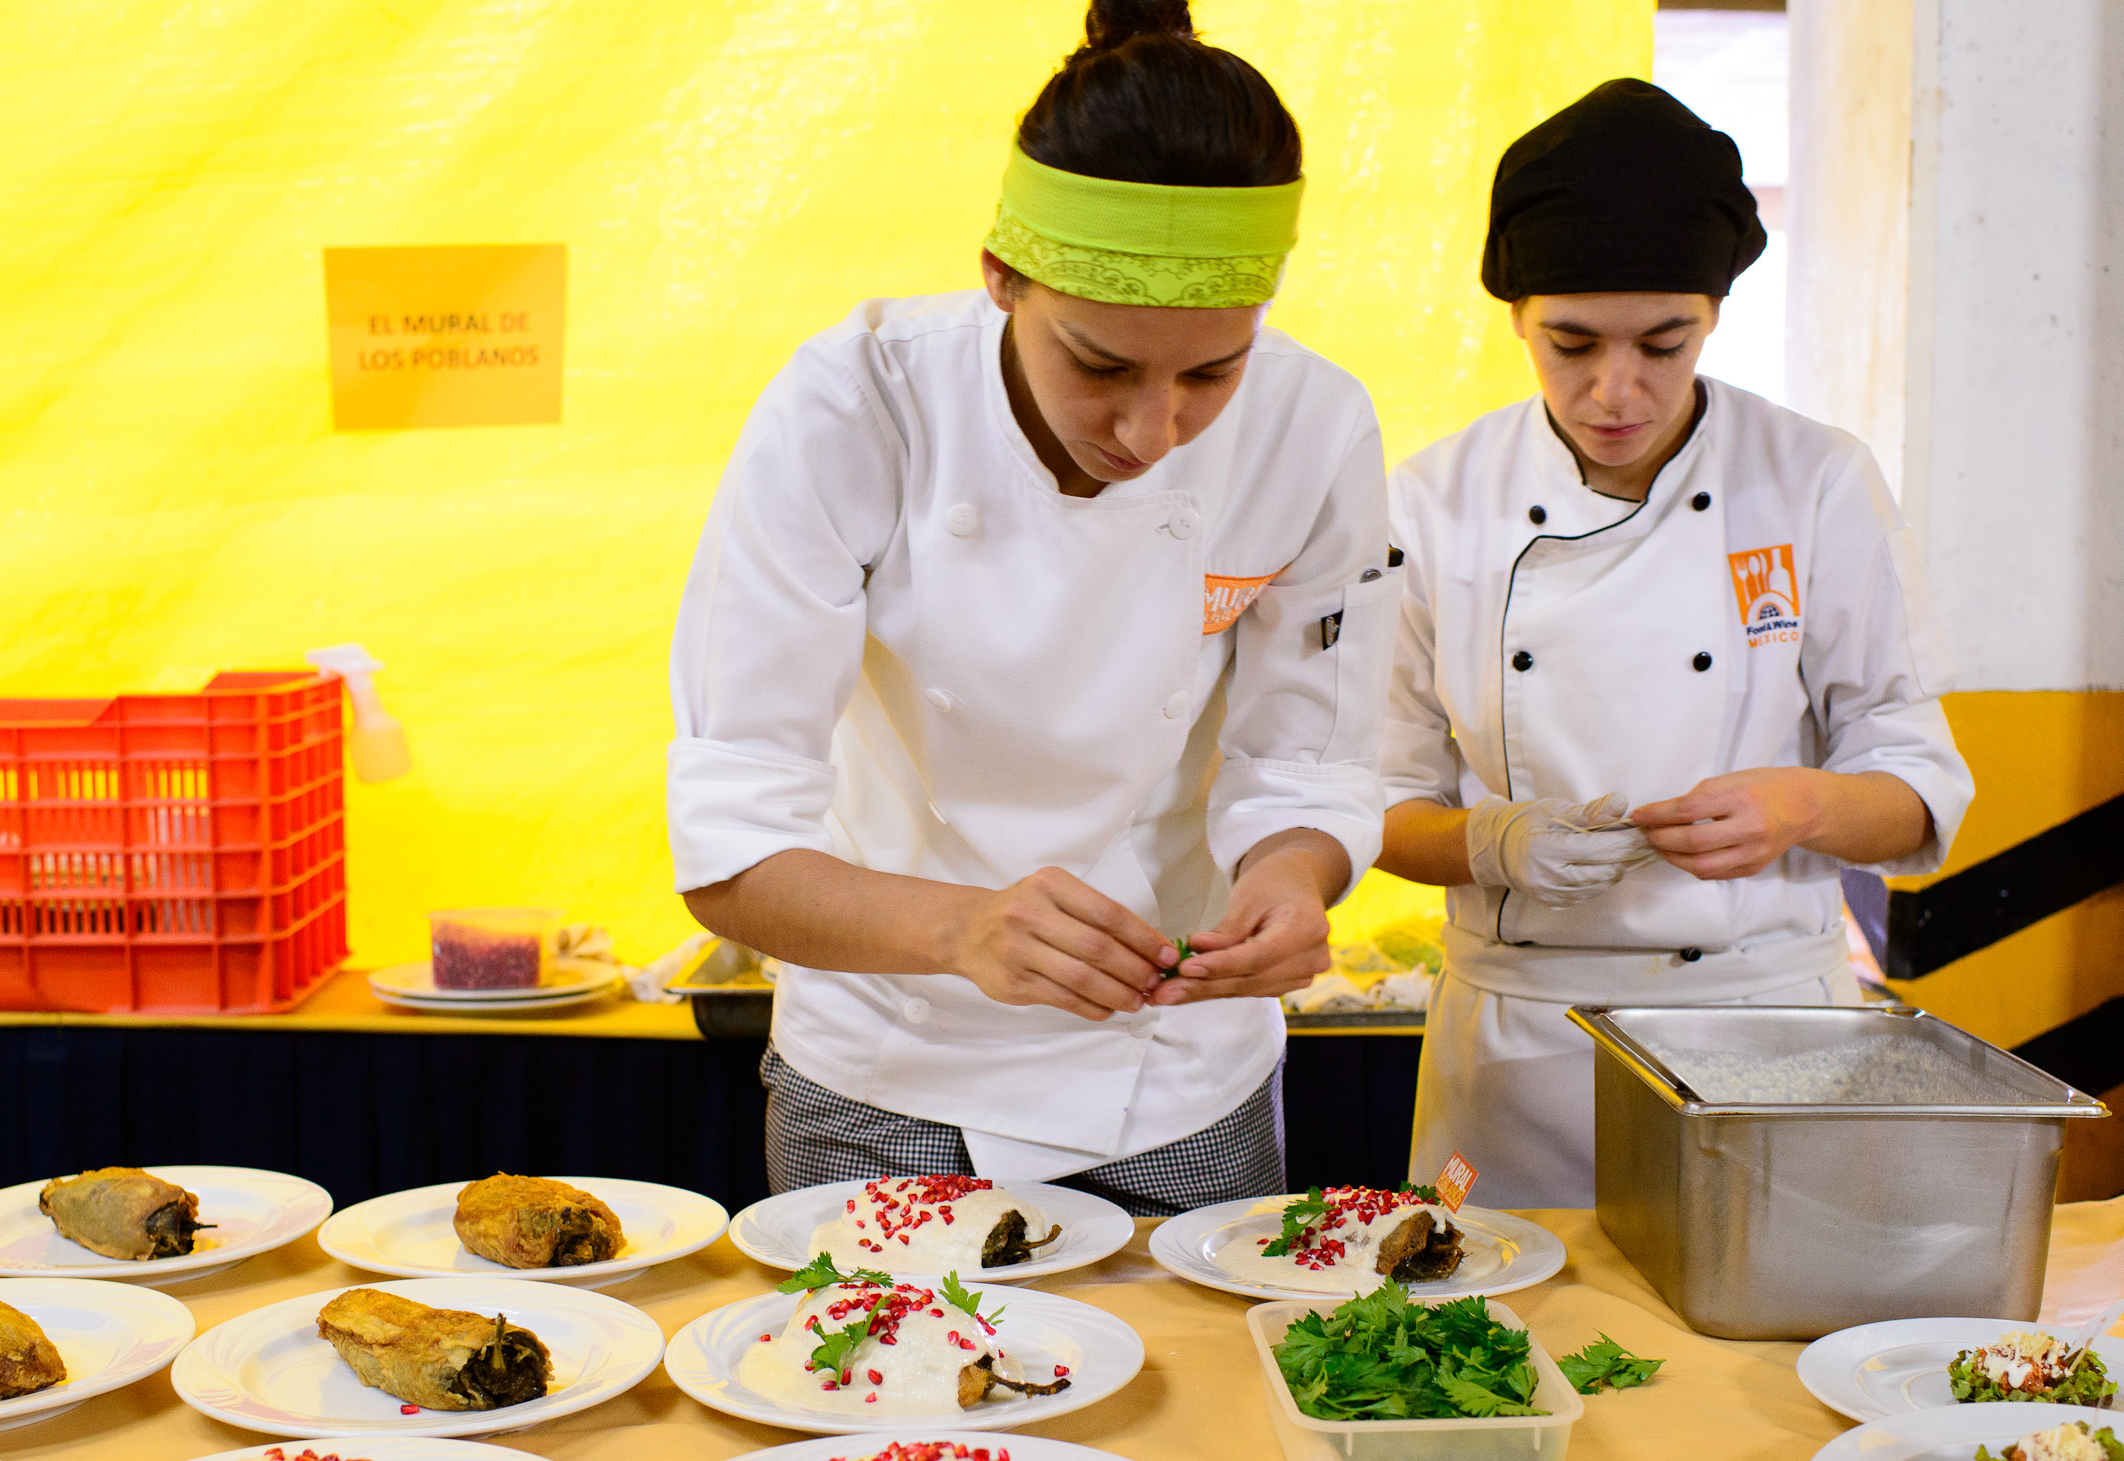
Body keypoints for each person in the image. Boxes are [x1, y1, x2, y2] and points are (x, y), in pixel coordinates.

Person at [665, 0, 1398, 1214]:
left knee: (1194, 1404)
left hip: (1176, 1074)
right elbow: (730, 844)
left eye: (1210, 372)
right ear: (1002, 275)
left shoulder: (1314, 427)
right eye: (1100, 365)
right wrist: (961, 931)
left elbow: (1308, 769)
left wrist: (1293, 878)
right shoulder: (856, 407)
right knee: (876, 1398)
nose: (1151, 433)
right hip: (885, 1071)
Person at [1377, 80, 1974, 1208]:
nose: (1616, 390)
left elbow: (1917, 785)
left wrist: (1795, 809)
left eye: (1664, 342)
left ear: (1713, 313)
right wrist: (1494, 844)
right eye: (1570, 343)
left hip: (1765, 1030)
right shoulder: (1434, 502)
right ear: (1515, 316)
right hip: (1517, 1044)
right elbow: (1372, 803)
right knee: (1500, 1350)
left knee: (1751, 1363)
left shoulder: (1811, 481)